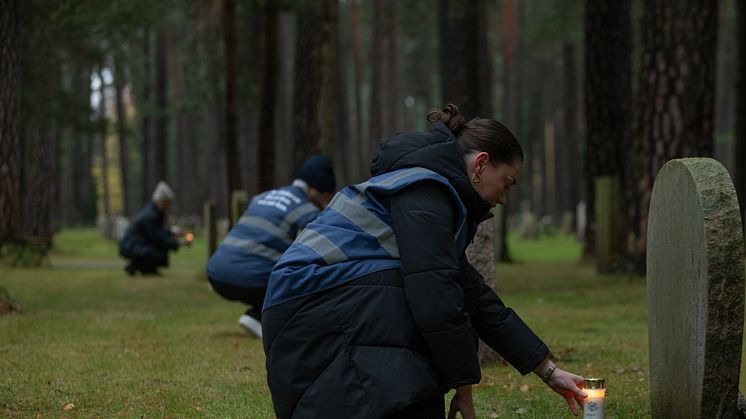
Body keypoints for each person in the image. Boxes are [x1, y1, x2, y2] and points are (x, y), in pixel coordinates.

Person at [261, 105, 587, 419]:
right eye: (508, 181)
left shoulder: (428, 193)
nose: (503, 197)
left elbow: (475, 298)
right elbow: (436, 299)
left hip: (329, 298)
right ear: (482, 164)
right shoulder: (424, 191)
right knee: (420, 296)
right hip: (310, 302)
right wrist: (464, 385)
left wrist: (548, 370)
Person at [206, 156, 336, 338]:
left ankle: (256, 313)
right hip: (249, 281)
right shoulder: (308, 212)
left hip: (215, 274)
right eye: (326, 196)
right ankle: (261, 317)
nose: (326, 203)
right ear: (315, 190)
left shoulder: (261, 197)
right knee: (307, 271)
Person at [120, 181, 185, 276]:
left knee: (160, 250)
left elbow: (158, 231)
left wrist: (173, 232)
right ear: (162, 201)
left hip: (136, 245)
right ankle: (139, 266)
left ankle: (142, 266)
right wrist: (178, 243)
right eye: (167, 203)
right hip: (132, 247)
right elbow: (157, 238)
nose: (169, 206)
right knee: (158, 252)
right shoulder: (151, 216)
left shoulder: (154, 212)